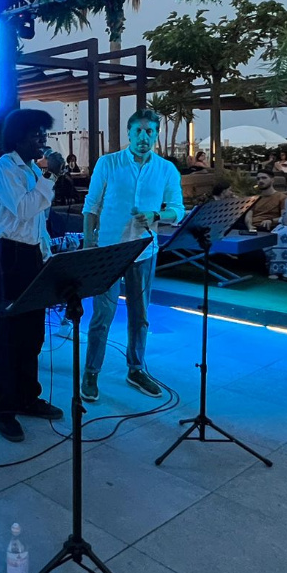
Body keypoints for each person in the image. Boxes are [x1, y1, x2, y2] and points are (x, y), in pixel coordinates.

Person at [81, 109, 185, 401]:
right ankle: (91, 372)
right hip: (108, 251)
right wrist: (89, 243)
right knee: (102, 315)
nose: (143, 137)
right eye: (138, 131)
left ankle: (136, 369)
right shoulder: (108, 163)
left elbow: (177, 209)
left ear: (156, 135)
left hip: (143, 250)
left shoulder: (166, 169)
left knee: (140, 316)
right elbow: (91, 206)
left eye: (149, 131)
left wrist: (156, 215)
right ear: (128, 133)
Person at [0, 108, 67, 442]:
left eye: (44, 135)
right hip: (8, 255)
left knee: (33, 332)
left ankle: (27, 397)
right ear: (18, 138)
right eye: (36, 135)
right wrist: (50, 176)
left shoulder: (33, 169)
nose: (42, 141)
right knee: (8, 335)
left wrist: (46, 254)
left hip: (31, 254)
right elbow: (23, 209)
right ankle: (5, 409)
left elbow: (37, 221)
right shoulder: (4, 169)